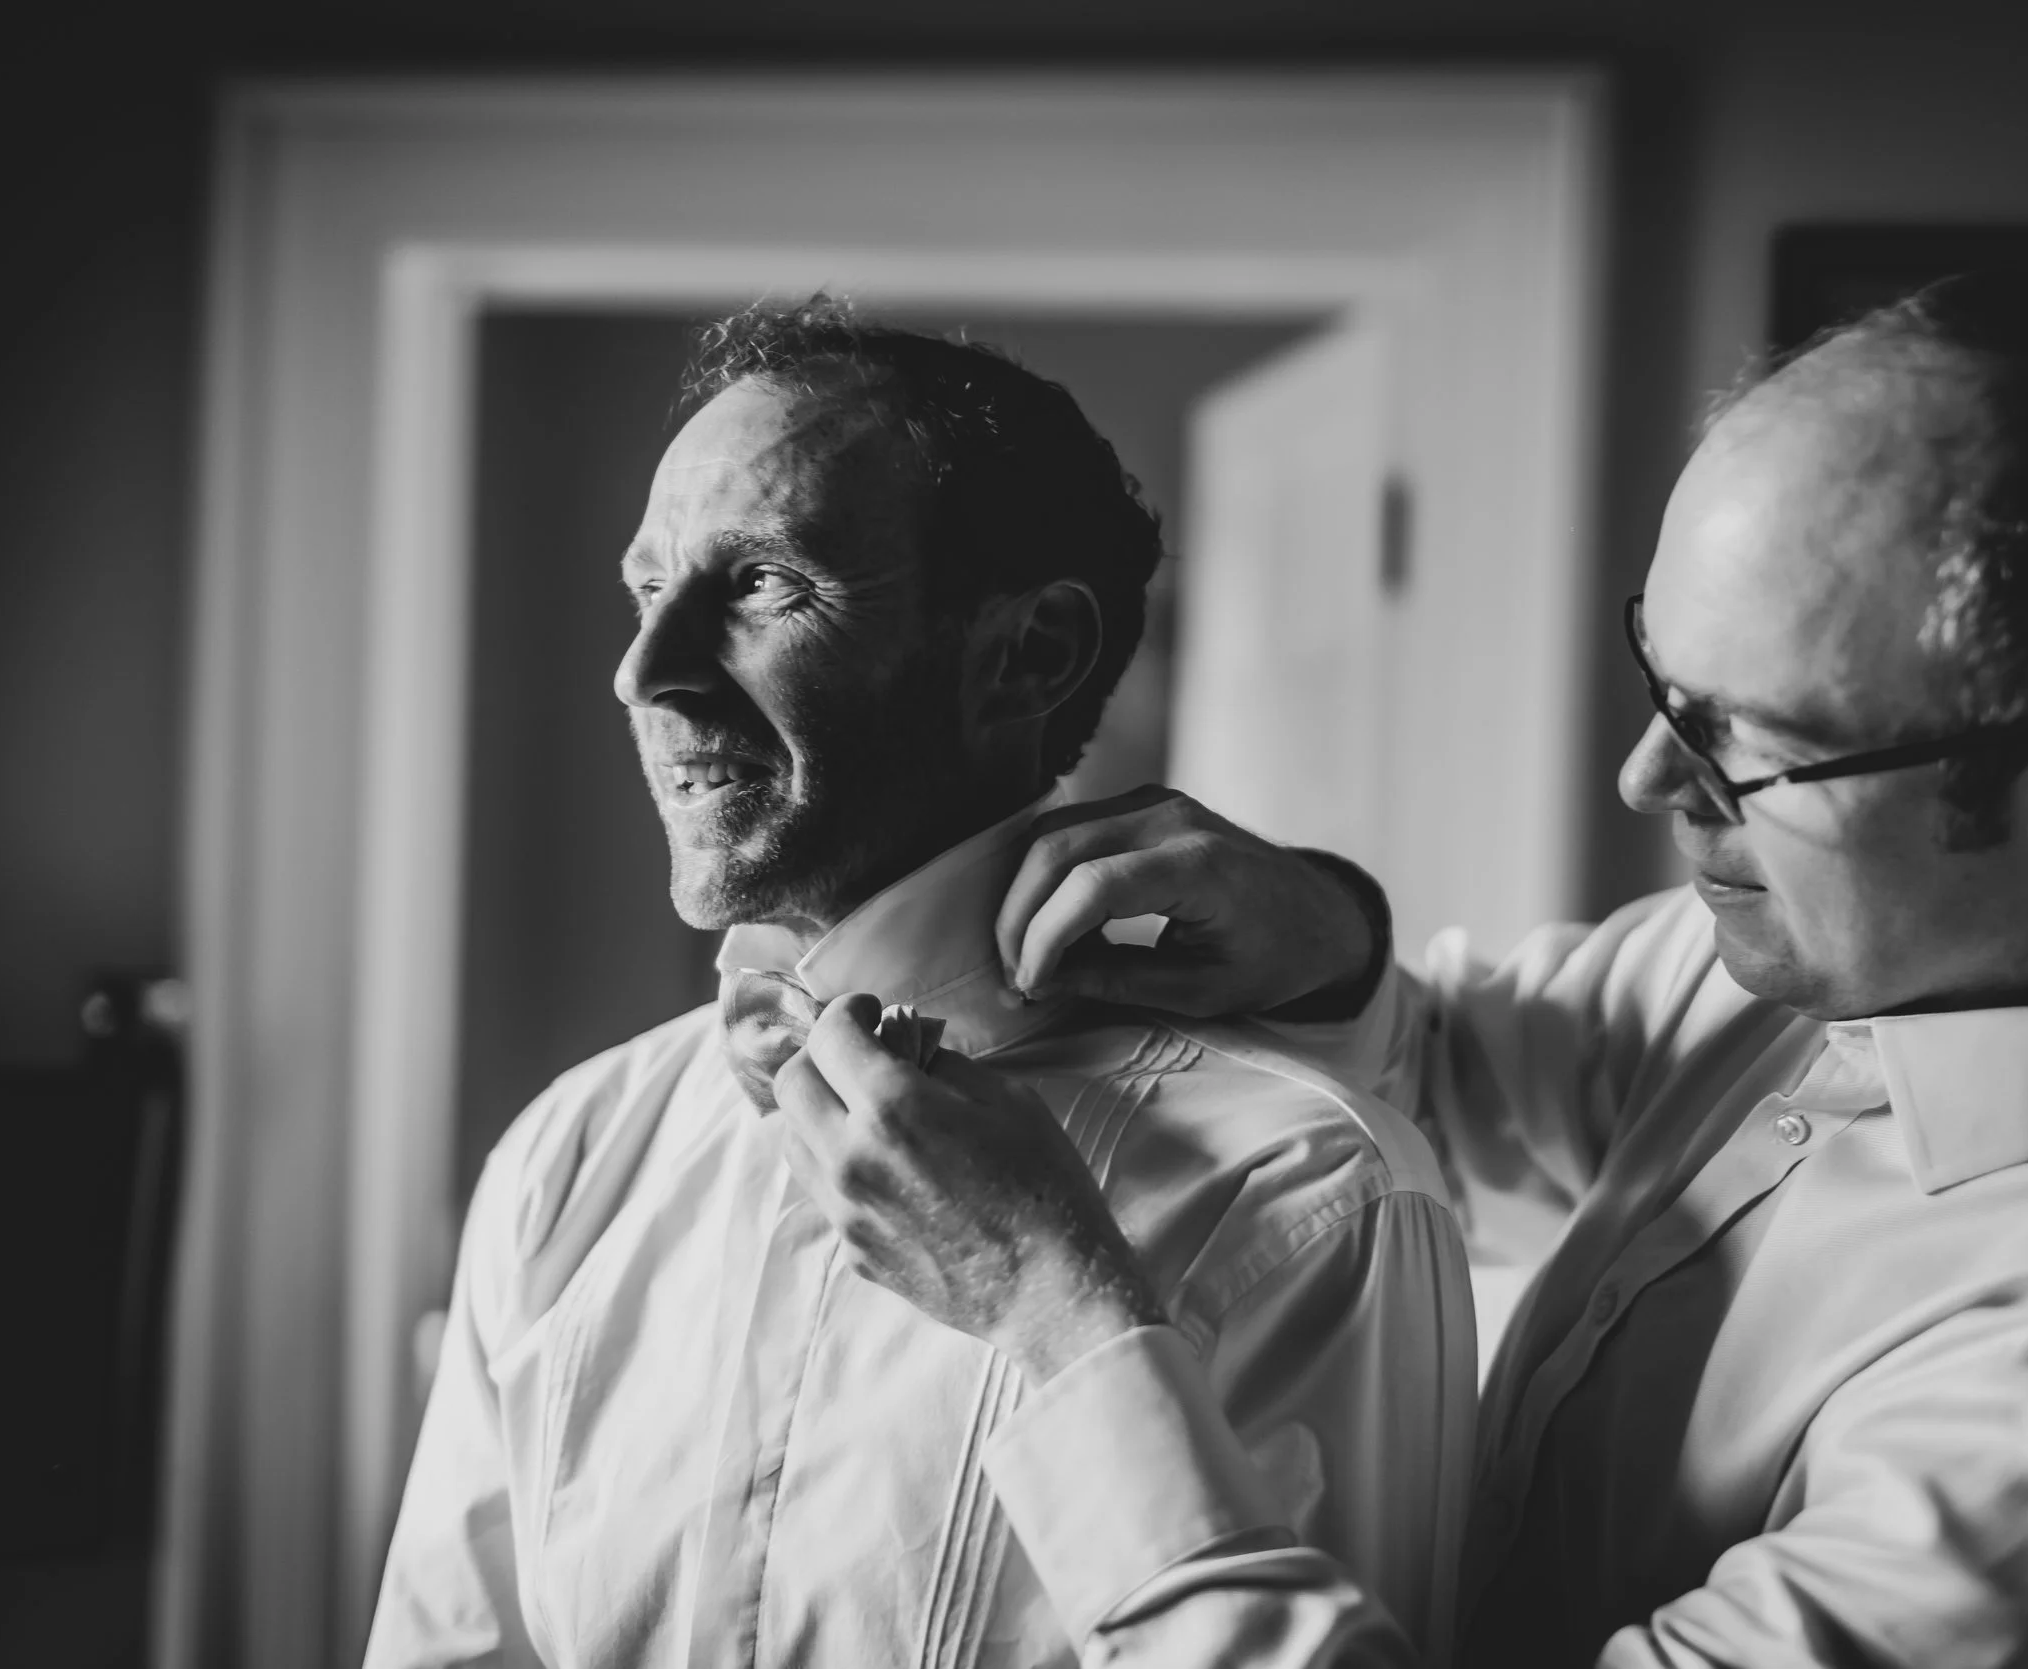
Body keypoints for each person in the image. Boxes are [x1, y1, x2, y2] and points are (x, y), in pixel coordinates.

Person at [775, 270, 2028, 1667]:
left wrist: (1059, 1320)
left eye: (1747, 744)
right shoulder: (1865, 942)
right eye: (1662, 676)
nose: (1644, 779)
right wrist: (1327, 944)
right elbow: (1503, 1073)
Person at [362, 302, 1478, 1668]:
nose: (643, 674)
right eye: (649, 591)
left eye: (761, 583)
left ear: (1030, 653)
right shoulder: (567, 1157)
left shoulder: (1311, 1192)